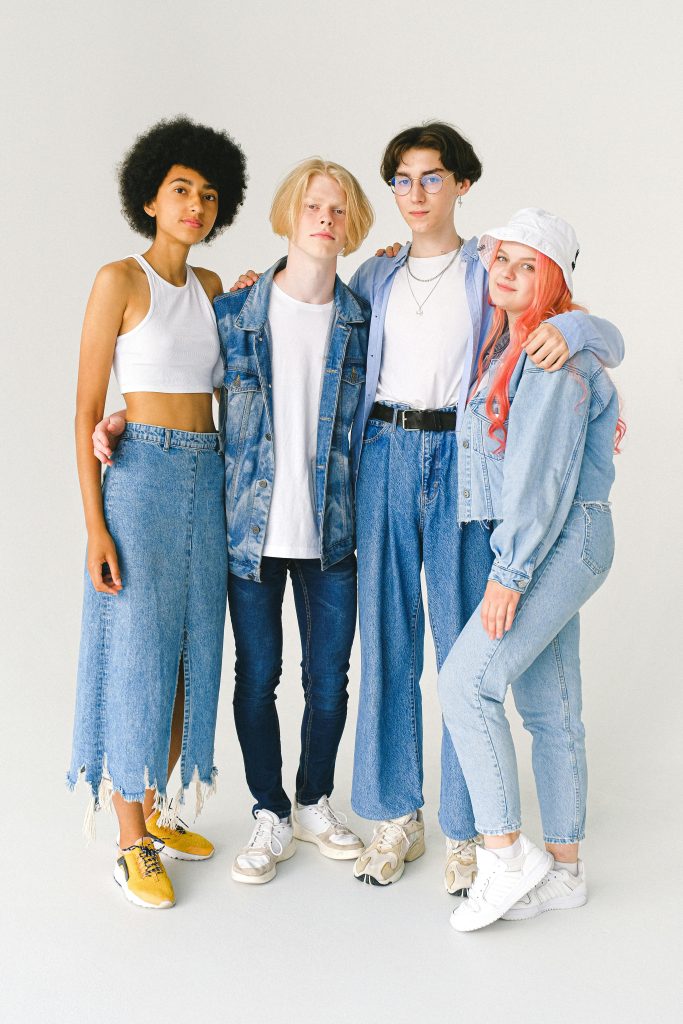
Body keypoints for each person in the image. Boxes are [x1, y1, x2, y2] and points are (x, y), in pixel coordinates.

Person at [345, 123, 625, 892]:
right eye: (400, 180)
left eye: (430, 178)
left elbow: (584, 321)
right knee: (389, 640)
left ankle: (466, 833)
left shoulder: (490, 267)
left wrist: (573, 328)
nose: (414, 194)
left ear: (461, 185)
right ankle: (393, 816)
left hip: (467, 470)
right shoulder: (375, 277)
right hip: (385, 452)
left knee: (462, 644)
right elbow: (304, 309)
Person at [67, 117, 247, 909]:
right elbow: (84, 412)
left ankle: (164, 807)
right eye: (181, 189)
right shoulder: (120, 279)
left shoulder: (210, 291)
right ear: (149, 196)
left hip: (205, 478)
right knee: (136, 653)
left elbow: (231, 385)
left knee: (188, 654)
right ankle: (129, 840)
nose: (195, 205)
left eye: (208, 194)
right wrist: (95, 527)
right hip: (139, 480)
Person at [438, 209, 623, 932]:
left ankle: (504, 856)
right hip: (555, 537)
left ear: (550, 277)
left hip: (555, 539)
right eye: (499, 260)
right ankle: (566, 872)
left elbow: (540, 479)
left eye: (524, 265)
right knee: (549, 708)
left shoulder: (551, 356)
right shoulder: (512, 343)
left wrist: (507, 575)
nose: (505, 274)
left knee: (465, 681)